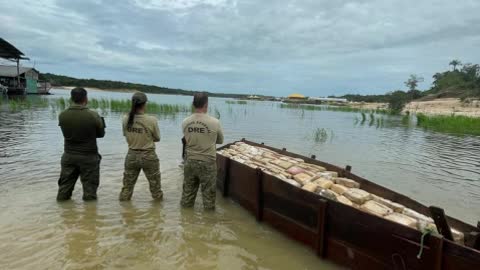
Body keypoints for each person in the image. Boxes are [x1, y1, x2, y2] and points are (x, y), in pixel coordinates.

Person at [57, 87, 105, 201]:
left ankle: (63, 214)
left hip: (68, 156)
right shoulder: (93, 115)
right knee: (90, 193)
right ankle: (90, 215)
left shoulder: (62, 115)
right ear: (85, 98)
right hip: (89, 157)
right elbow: (101, 134)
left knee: (64, 189)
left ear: (71, 98)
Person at [181, 92, 224, 210]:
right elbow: (220, 140)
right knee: (208, 199)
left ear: (193, 104)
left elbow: (187, 138)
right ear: (206, 104)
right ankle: (208, 225)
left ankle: (185, 222)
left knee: (187, 197)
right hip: (208, 163)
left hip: (190, 162)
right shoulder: (215, 122)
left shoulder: (185, 121)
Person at [119, 92, 163, 201]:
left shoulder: (125, 118)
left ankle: (125, 213)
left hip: (131, 155)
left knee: (127, 188)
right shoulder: (151, 120)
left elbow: (125, 134)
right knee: (156, 189)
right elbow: (157, 138)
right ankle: (157, 213)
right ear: (144, 104)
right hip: (148, 156)